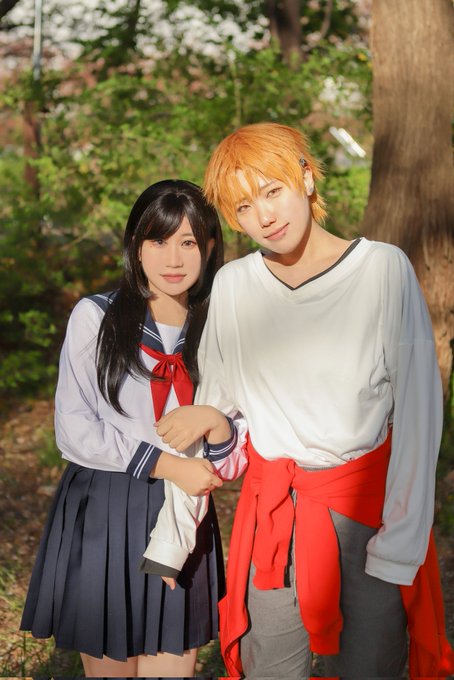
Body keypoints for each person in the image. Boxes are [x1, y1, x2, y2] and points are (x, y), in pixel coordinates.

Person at [145, 123, 454, 678]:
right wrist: (173, 537)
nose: (264, 216)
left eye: (272, 191)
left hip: (368, 515)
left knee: (370, 667)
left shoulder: (382, 269)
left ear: (307, 179)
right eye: (244, 207)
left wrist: (402, 542)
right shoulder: (236, 286)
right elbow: (209, 411)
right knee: (272, 668)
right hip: (275, 519)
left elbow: (418, 415)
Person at [20, 179, 229, 678]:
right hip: (106, 506)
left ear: (210, 248)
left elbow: (238, 423)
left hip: (183, 511)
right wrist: (167, 463)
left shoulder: (220, 327)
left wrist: (217, 427)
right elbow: (74, 428)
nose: (173, 259)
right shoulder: (96, 317)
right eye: (158, 241)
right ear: (136, 247)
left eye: (188, 242)